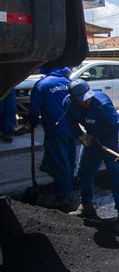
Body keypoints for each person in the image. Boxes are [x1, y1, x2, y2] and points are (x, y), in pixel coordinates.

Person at [66, 79, 119, 233]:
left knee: (118, 174)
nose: (86, 102)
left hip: (111, 139)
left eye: (87, 98)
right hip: (92, 139)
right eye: (82, 100)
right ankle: (86, 205)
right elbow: (70, 123)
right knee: (84, 172)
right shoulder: (67, 103)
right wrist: (80, 136)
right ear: (73, 98)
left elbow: (117, 125)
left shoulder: (102, 103)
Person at [29, 67, 76, 209]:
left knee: (60, 162)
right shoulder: (69, 83)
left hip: (55, 129)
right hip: (73, 128)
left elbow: (34, 107)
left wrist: (32, 122)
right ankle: (67, 188)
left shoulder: (42, 84)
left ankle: (63, 197)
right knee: (69, 160)